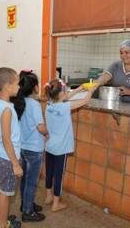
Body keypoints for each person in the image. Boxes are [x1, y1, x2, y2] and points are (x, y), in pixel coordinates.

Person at [44, 79, 95, 211]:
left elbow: (64, 97)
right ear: (61, 94)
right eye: (65, 90)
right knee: (59, 175)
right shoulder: (65, 107)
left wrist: (79, 88)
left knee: (49, 172)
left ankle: (48, 196)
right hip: (61, 149)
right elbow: (84, 101)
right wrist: (90, 91)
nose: (66, 92)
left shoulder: (49, 104)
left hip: (49, 146)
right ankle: (56, 203)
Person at [11, 69, 47, 222]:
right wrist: (47, 133)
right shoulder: (34, 105)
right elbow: (40, 127)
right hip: (34, 149)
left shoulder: (19, 102)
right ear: (36, 87)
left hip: (23, 147)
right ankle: (27, 212)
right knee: (31, 181)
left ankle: (26, 204)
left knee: (25, 179)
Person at [0, 67, 22, 228]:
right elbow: (6, 139)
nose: (19, 86)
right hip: (7, 157)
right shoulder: (7, 109)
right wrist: (15, 164)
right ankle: (3, 224)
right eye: (17, 83)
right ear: (8, 86)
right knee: (6, 192)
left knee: (1, 187)